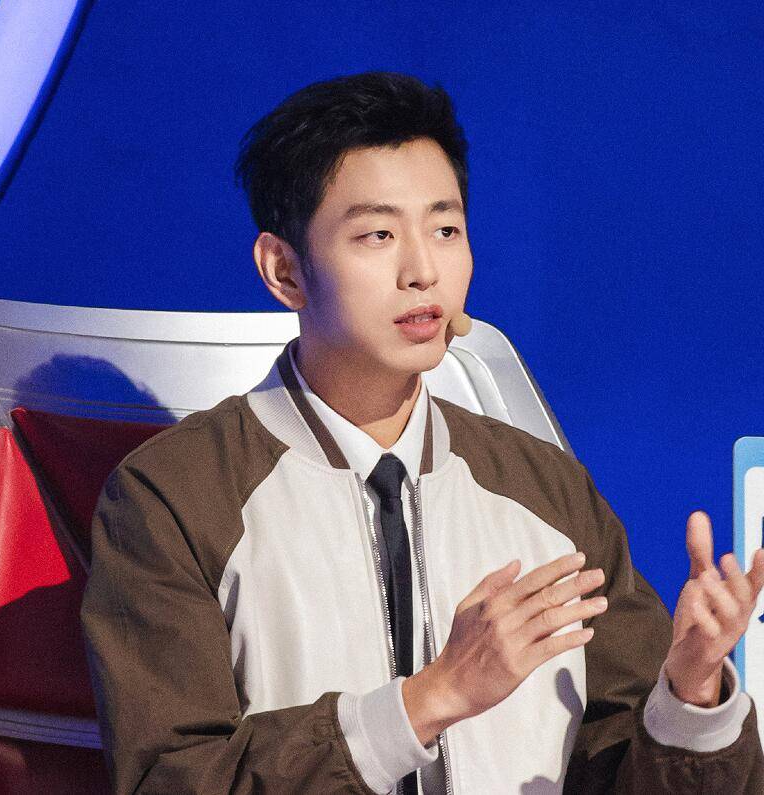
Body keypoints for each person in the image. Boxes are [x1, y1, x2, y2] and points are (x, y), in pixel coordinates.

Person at [80, 71, 764, 793]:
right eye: (377, 234)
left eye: (446, 229)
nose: (423, 270)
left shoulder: (547, 491)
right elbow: (170, 778)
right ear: (284, 270)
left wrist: (691, 697)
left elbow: (622, 769)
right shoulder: (174, 498)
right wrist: (429, 700)